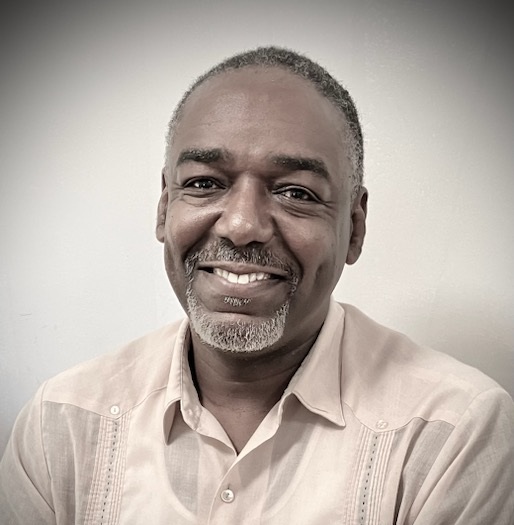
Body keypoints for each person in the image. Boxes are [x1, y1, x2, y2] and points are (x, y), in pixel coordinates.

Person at [1, 46, 513, 525]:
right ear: (164, 207)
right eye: (204, 183)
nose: (242, 226)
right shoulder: (62, 426)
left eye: (296, 192)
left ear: (354, 228)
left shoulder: (451, 436)